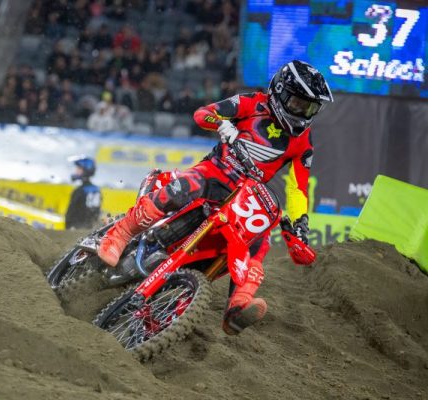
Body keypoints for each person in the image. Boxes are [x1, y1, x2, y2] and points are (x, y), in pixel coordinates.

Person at [97, 60, 333, 335]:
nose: (303, 114)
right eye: (299, 104)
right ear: (281, 92)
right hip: (215, 173)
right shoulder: (252, 103)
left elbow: (298, 189)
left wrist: (301, 223)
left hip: (245, 196)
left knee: (260, 241)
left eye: (310, 108)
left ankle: (238, 306)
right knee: (184, 188)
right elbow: (202, 114)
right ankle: (120, 233)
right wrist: (222, 125)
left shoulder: (303, 140)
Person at [65, 156, 102, 230]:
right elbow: (96, 213)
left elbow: (70, 213)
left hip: (76, 229)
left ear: (86, 170)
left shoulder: (79, 191)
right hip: (91, 230)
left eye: (79, 168)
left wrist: (68, 227)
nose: (76, 171)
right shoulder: (96, 190)